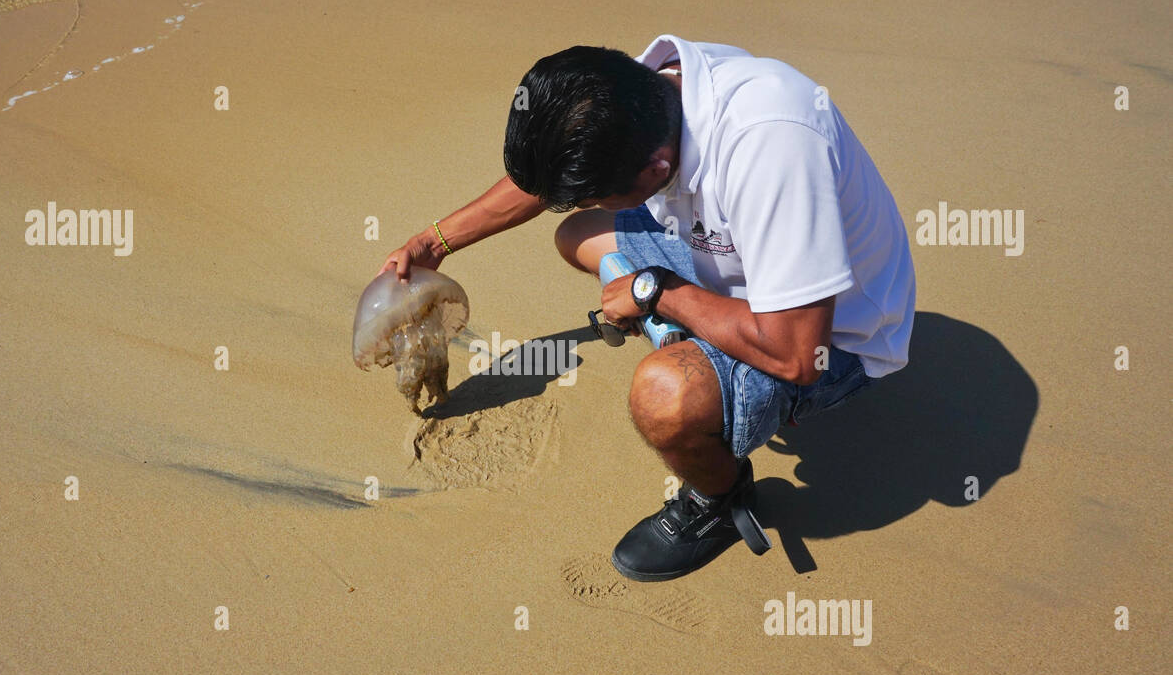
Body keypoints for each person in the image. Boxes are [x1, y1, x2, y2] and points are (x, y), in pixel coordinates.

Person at [378, 35, 916, 582]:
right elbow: (548, 178)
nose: (581, 200)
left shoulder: (770, 148)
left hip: (834, 337)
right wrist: (435, 243)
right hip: (740, 264)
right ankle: (692, 338)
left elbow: (799, 355)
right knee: (580, 234)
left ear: (658, 170)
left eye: (592, 192)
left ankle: (719, 501)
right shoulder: (641, 91)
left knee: (663, 397)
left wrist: (654, 291)